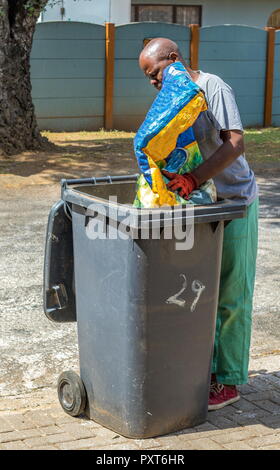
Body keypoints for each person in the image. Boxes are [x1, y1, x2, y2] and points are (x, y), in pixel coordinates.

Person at [138, 37, 259, 410]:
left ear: (174, 59)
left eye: (156, 73)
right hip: (203, 208)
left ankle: (229, 380)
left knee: (232, 296)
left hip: (235, 202)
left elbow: (235, 143)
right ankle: (208, 369)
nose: (155, 83)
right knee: (202, 294)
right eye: (149, 79)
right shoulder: (173, 97)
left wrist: (193, 178)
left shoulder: (211, 87)